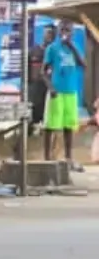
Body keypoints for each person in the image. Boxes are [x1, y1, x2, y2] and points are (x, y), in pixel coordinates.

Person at [41, 20, 85, 164]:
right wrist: (51, 88)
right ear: (58, 32)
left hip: (71, 92)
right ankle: (47, 157)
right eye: (63, 30)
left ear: (73, 32)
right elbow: (43, 72)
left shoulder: (75, 47)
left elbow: (83, 64)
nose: (65, 33)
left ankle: (68, 157)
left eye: (68, 30)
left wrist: (72, 46)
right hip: (57, 92)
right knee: (51, 125)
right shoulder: (52, 48)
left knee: (69, 126)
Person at [26, 24, 55, 139]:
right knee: (32, 111)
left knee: (47, 112)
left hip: (49, 87)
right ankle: (28, 136)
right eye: (48, 33)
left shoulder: (55, 51)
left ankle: (44, 137)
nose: (49, 36)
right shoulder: (34, 50)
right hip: (35, 86)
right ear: (43, 34)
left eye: (52, 34)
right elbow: (27, 69)